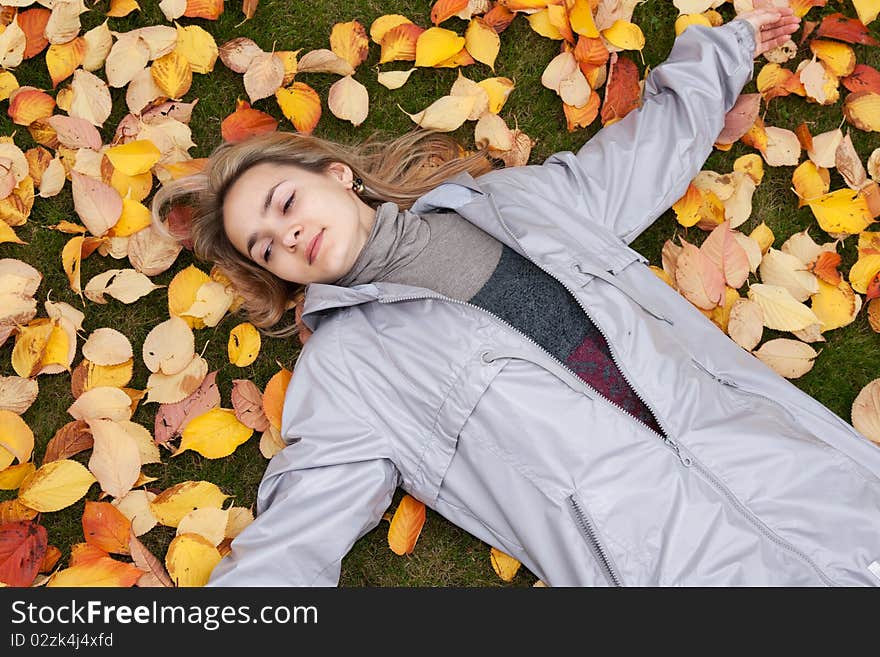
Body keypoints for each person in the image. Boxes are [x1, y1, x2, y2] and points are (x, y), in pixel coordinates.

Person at [152, 7, 880, 586]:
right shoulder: (347, 373)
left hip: (787, 462)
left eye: (283, 203)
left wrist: (731, 44)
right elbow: (295, 535)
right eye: (266, 248)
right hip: (660, 560)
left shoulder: (510, 201)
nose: (288, 237)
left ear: (335, 176)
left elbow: (645, 153)